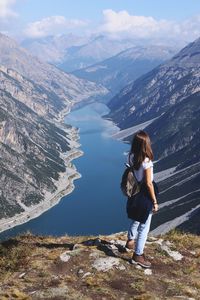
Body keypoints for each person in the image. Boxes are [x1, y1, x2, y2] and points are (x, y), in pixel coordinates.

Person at [125, 130, 158, 268]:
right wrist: (155, 202)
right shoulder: (146, 160)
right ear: (146, 144)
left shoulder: (131, 156)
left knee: (137, 218)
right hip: (145, 194)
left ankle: (130, 241)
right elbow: (149, 183)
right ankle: (138, 255)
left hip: (135, 192)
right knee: (144, 225)